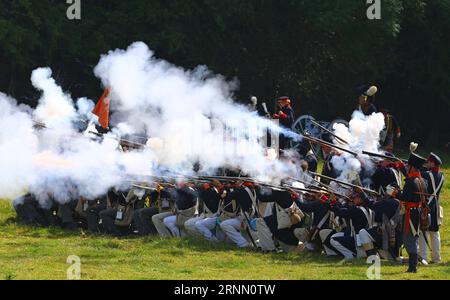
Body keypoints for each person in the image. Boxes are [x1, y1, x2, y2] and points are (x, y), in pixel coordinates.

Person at [388, 152, 428, 273]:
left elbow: (405, 197)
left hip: (411, 214)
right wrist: (401, 167)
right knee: (412, 238)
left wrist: (394, 193)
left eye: (407, 166)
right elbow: (411, 186)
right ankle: (413, 266)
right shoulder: (422, 180)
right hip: (418, 213)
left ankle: (412, 267)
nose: (406, 168)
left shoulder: (411, 182)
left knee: (409, 238)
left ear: (412, 167)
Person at [256, 186, 304, 253]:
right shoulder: (293, 190)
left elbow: (262, 198)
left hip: (285, 223)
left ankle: (269, 249)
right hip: (289, 221)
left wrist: (257, 187)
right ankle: (274, 244)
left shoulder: (280, 192)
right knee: (267, 221)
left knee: (260, 221)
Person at [328, 191, 374, 260]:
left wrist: (334, 202)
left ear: (361, 199)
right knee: (335, 236)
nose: (353, 199)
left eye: (355, 198)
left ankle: (351, 256)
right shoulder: (370, 209)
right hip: (367, 238)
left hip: (357, 239)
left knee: (332, 239)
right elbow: (345, 210)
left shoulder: (356, 210)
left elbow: (340, 213)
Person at [418, 153, 445, 264]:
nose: (427, 163)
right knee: (435, 233)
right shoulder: (441, 176)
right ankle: (436, 258)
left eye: (428, 162)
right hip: (436, 207)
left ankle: (423, 258)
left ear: (432, 163)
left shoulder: (427, 175)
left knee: (423, 232)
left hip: (427, 207)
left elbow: (414, 175)